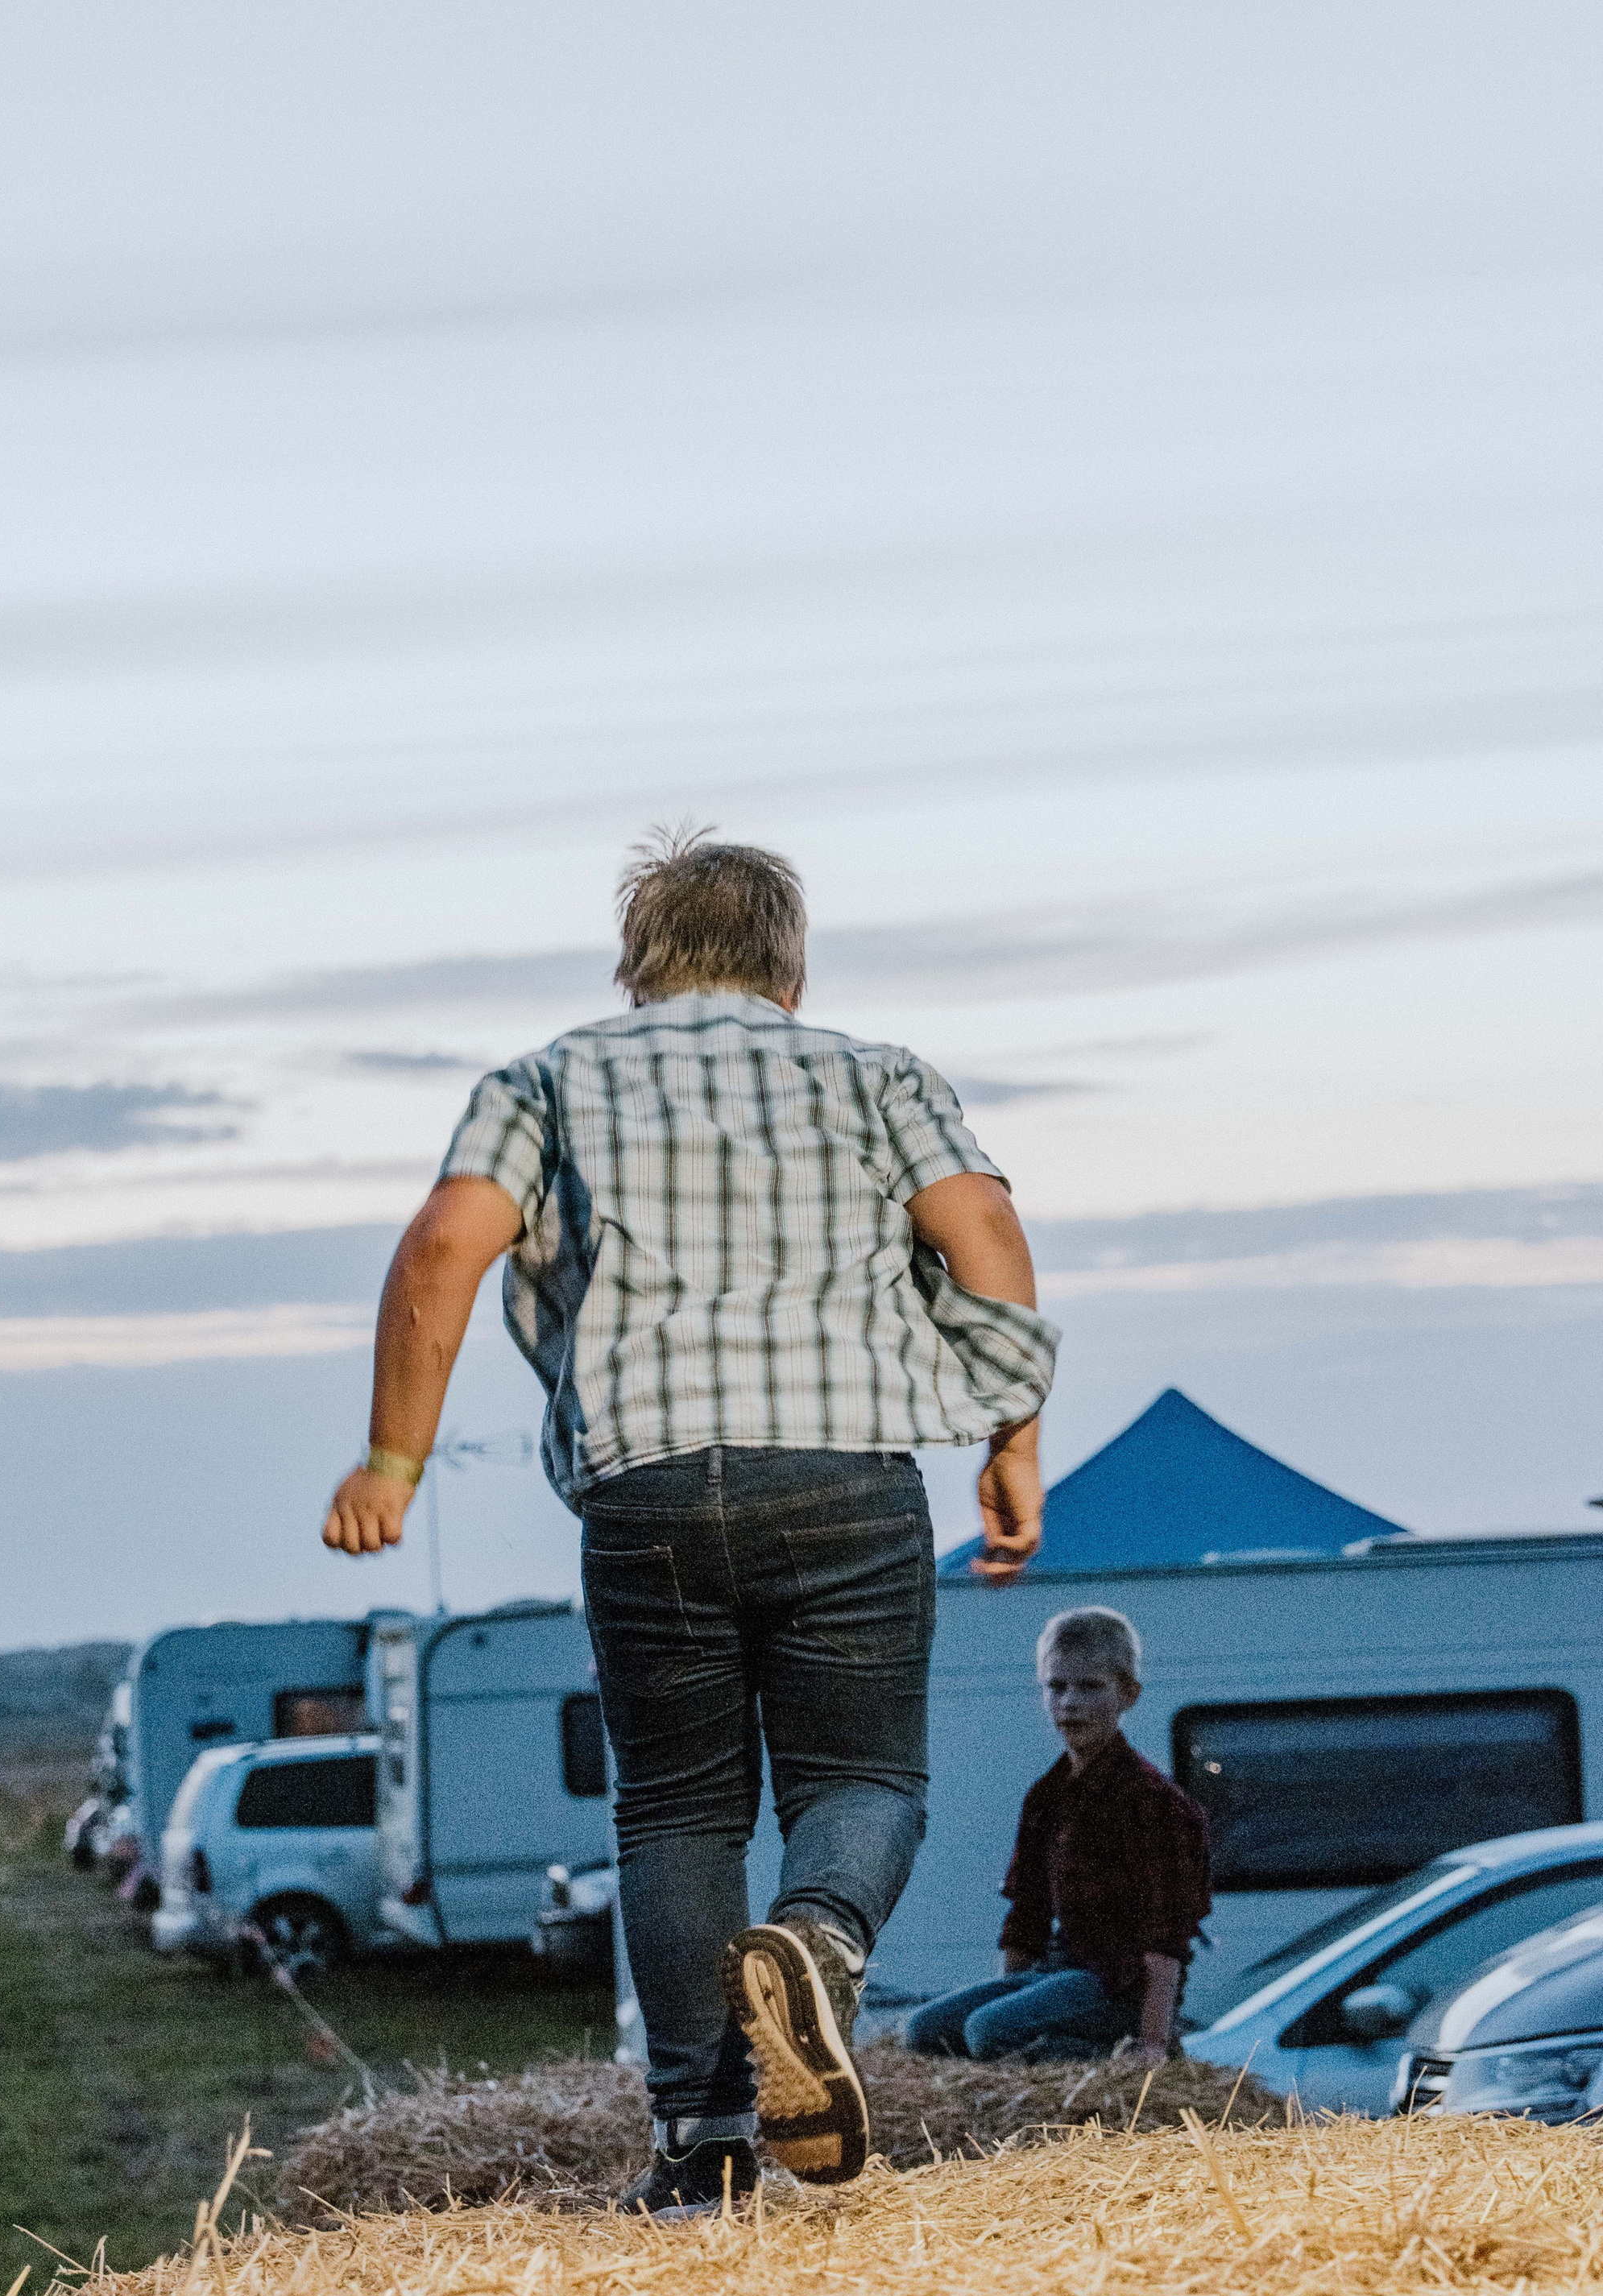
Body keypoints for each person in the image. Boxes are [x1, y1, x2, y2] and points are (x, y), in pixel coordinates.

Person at [322, 826, 1058, 2216]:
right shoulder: (877, 1075)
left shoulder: (544, 1080)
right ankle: (820, 1945)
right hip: (843, 1467)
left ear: (637, 965)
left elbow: (442, 1249)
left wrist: (393, 1463)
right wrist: (1011, 1437)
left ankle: (700, 2147)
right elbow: (986, 1237)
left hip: (646, 1479)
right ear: (791, 968)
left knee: (676, 1809)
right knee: (863, 1780)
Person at [905, 1605, 1211, 2065]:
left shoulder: (1154, 1802)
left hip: (1122, 1985)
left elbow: (1166, 1938)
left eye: (1090, 1687)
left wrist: (1152, 2040)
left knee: (987, 2032)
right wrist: (1009, 1997)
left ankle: (1119, 2060)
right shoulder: (1047, 1795)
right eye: (1057, 1687)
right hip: (1060, 1970)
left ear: (1128, 1694)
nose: (1069, 1703)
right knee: (925, 2031)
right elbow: (1026, 1914)